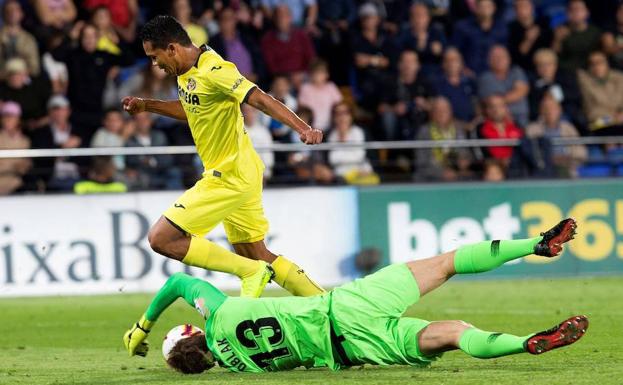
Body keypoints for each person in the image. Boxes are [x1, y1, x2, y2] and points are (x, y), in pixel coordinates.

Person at [123, 218, 588, 374]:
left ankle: (524, 343)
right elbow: (180, 284)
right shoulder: (219, 314)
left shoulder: (239, 364)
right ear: (190, 330)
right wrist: (144, 326)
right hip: (344, 305)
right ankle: (536, 244)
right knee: (446, 263)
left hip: (351, 351)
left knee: (452, 334)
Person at [121, 15, 324, 299]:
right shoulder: (187, 72)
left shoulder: (216, 69)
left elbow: (261, 99)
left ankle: (250, 273)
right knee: (256, 253)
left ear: (171, 48)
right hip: (242, 170)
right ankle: (325, 303)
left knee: (161, 238)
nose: (155, 65)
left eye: (155, 57)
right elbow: (193, 108)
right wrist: (148, 106)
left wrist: (304, 128)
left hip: (229, 175)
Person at [525, 96, 587, 178]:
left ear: (559, 110)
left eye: (553, 108)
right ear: (540, 111)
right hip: (543, 169)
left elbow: (581, 152)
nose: (549, 111)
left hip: (566, 166)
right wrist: (549, 159)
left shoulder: (568, 128)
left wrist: (568, 158)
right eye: (546, 108)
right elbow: (531, 153)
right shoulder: (532, 129)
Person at [478, 45, 530, 128]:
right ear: (489, 61)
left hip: (523, 122)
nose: (499, 60)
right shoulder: (486, 78)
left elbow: (522, 90)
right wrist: (513, 94)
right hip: (498, 124)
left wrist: (501, 101)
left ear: (509, 58)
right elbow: (493, 101)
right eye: (495, 57)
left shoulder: (517, 71)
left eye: (502, 56)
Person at [451, 0, 507, 75]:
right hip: (468, 75)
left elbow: (504, 53)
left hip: (494, 76)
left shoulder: (501, 28)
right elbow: (454, 51)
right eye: (482, 7)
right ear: (475, 8)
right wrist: (462, 68)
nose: (485, 10)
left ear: (494, 8)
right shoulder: (462, 28)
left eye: (488, 6)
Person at [577, 51, 623, 136]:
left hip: (620, 119)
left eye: (600, 62)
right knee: (602, 128)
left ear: (607, 63)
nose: (596, 66)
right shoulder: (584, 81)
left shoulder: (619, 78)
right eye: (592, 63)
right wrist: (613, 118)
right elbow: (592, 112)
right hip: (598, 122)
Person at [552, 0, 602, 73]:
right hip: (566, 71)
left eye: (579, 9)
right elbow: (553, 55)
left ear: (587, 12)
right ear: (566, 13)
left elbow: (599, 55)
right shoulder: (559, 30)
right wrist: (557, 39)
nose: (575, 13)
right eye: (571, 10)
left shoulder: (595, 32)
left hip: (589, 70)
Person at [298, 59, 343, 131]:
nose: (318, 76)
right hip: (310, 128)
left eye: (321, 73)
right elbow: (302, 109)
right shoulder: (305, 88)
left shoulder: (331, 87)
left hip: (330, 128)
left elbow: (339, 106)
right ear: (310, 75)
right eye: (315, 73)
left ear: (327, 74)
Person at [0, 101, 30, 194]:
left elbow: (24, 167)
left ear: (18, 119)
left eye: (12, 116)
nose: (8, 119)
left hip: (16, 185)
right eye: (6, 116)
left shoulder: (25, 141)